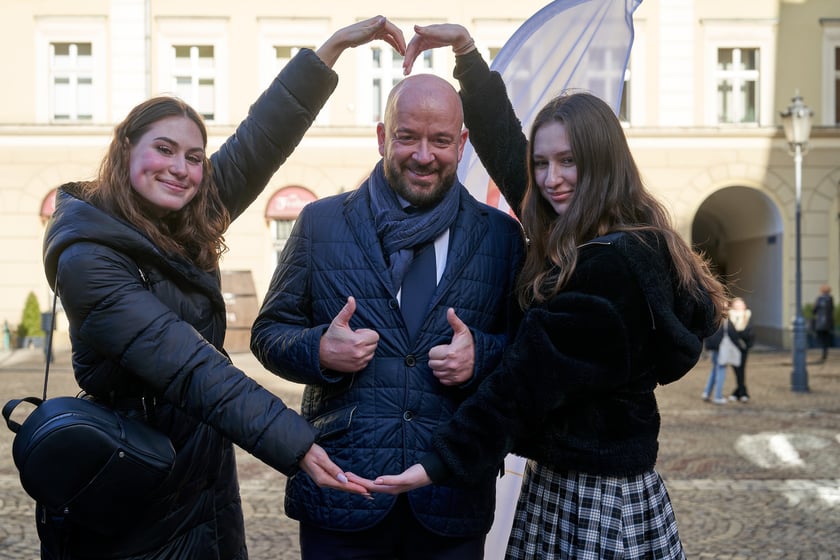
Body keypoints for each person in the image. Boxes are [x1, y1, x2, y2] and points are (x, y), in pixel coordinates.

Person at [349, 24, 728, 560]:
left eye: (569, 161)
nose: (551, 179)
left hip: (588, 498)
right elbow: (509, 152)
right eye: (544, 162)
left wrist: (434, 464)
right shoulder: (623, 238)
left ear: (603, 162)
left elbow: (523, 383)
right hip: (601, 482)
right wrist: (468, 56)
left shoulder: (607, 268)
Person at [39, 17, 404, 560]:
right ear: (126, 148)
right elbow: (190, 366)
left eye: (193, 156)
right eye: (164, 149)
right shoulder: (89, 257)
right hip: (134, 480)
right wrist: (296, 443)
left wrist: (331, 50)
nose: (181, 169)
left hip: (201, 478)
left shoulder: (185, 220)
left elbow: (260, 140)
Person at [249, 73, 526, 559]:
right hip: (342, 493)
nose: (423, 155)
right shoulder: (321, 223)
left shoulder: (501, 237)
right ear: (382, 137)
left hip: (452, 497)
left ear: (461, 144)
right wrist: (318, 349)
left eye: (440, 140)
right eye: (407, 137)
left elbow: (529, 354)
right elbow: (268, 333)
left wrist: (482, 354)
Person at [726, 297, 755, 402]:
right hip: (734, 347)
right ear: (733, 306)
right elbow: (730, 332)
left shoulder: (747, 316)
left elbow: (751, 332)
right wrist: (737, 340)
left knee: (741, 370)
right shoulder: (730, 317)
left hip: (744, 348)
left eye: (742, 303)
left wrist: (746, 343)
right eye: (737, 303)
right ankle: (741, 392)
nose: (740, 305)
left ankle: (740, 392)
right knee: (737, 370)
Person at [702, 322, 729, 405]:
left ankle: (706, 393)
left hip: (712, 346)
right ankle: (718, 396)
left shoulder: (711, 315)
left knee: (714, 370)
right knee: (721, 370)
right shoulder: (724, 319)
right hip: (720, 347)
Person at [813, 284, 834, 361]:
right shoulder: (830, 298)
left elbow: (814, 310)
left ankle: (823, 352)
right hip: (828, 321)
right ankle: (825, 352)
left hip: (820, 321)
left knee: (821, 337)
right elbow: (831, 309)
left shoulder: (819, 299)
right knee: (826, 337)